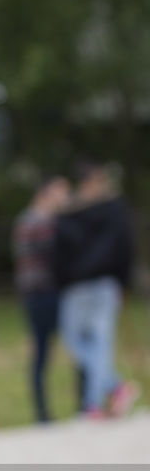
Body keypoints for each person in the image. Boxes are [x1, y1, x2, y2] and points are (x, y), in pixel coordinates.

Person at [53, 162, 139, 418]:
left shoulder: (70, 211)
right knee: (91, 342)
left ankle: (93, 403)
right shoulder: (111, 208)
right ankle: (111, 388)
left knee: (86, 342)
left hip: (86, 284)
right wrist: (124, 279)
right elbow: (124, 244)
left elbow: (59, 250)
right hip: (93, 283)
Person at [11, 175, 70, 422]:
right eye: (61, 192)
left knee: (57, 350)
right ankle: (45, 412)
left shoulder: (28, 220)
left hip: (38, 294)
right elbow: (56, 256)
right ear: (46, 193)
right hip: (44, 294)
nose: (65, 197)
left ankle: (50, 412)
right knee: (47, 352)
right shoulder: (41, 222)